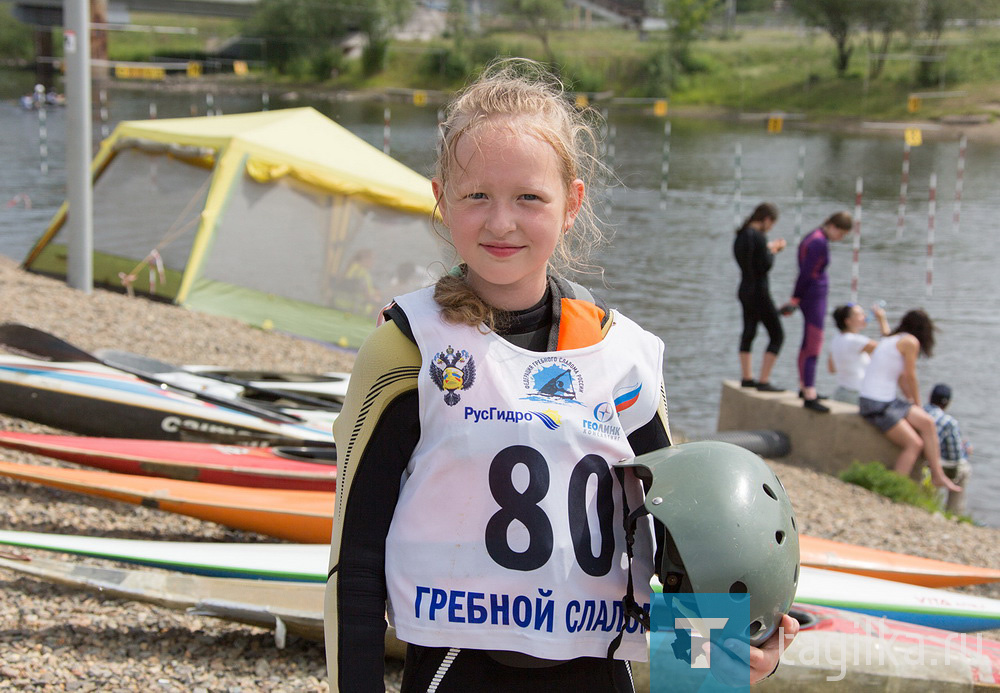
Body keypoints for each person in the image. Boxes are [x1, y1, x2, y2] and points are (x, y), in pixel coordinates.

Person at [324, 58, 796, 693]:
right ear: (440, 198)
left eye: (528, 197)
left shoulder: (618, 353)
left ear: (572, 203)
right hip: (454, 674)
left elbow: (685, 545)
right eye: (476, 197)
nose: (501, 222)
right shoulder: (406, 349)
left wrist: (725, 667)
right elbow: (354, 563)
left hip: (597, 673)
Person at [858, 309, 962, 494]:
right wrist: (918, 405)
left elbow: (900, 379)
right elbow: (910, 376)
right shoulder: (910, 342)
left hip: (880, 399)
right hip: (876, 403)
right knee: (914, 443)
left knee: (928, 423)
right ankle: (893, 488)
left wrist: (910, 401)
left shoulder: (892, 339)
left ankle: (938, 476)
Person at [781, 211, 853, 413]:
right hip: (813, 297)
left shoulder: (812, 236)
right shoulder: (819, 242)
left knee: (807, 343)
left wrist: (796, 297)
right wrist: (795, 297)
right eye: (842, 234)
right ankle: (809, 392)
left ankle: (805, 386)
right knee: (814, 343)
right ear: (834, 227)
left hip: (811, 295)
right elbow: (806, 272)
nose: (841, 238)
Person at [733, 202, 787, 392]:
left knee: (749, 332)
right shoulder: (759, 236)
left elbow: (750, 259)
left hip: (744, 289)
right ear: (766, 220)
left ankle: (747, 377)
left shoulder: (741, 234)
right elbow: (764, 265)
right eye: (771, 224)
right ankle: (764, 380)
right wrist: (773, 250)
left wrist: (767, 248)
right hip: (759, 291)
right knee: (777, 334)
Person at [827, 302, 890, 405]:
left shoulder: (836, 339)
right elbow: (889, 349)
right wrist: (881, 320)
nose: (865, 316)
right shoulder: (856, 341)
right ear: (848, 321)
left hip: (841, 392)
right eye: (859, 314)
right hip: (856, 395)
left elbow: (832, 369)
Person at [923, 384, 972, 514]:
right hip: (932, 465)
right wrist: (965, 452)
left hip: (920, 459)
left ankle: (929, 501)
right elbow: (954, 457)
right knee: (965, 470)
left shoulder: (918, 411)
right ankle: (953, 513)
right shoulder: (948, 422)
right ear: (948, 403)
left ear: (930, 397)